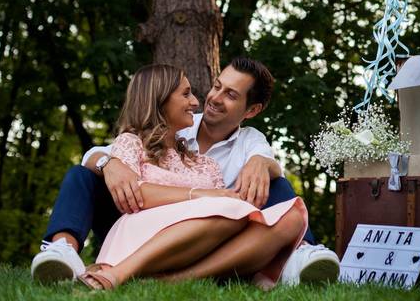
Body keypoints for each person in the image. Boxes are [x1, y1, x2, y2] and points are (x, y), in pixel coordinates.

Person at [31, 57, 339, 286]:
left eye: (231, 95)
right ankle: (63, 250)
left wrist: (263, 163)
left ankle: (301, 253)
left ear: (252, 110)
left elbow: (265, 169)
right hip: (135, 218)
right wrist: (108, 164)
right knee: (80, 174)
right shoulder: (163, 129)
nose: (211, 98)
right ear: (162, 102)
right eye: (217, 86)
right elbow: (99, 157)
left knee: (284, 197)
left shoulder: (246, 143)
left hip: (204, 236)